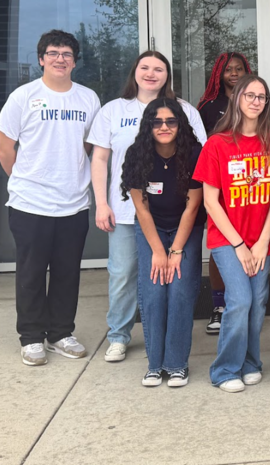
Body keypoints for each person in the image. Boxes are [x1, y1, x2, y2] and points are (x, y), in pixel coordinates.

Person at [88, 51, 207, 363]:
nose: (151, 74)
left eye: (159, 69)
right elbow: (100, 158)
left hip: (176, 213)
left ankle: (169, 344)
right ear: (135, 72)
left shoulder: (184, 111)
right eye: (145, 68)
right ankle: (118, 336)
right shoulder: (114, 110)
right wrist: (101, 202)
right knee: (124, 273)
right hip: (128, 210)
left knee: (173, 280)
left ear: (167, 75)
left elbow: (200, 158)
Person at [0, 29, 102, 366]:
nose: (60, 59)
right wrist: (27, 180)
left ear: (75, 61)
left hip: (73, 203)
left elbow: (89, 145)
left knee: (68, 272)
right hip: (30, 204)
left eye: (67, 54)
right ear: (41, 59)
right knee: (31, 273)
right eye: (53, 53)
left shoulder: (87, 98)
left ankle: (59, 333)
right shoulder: (23, 97)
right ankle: (30, 337)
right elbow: (4, 146)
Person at [193, 75, 270, 393]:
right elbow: (209, 200)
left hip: (261, 238)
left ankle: (250, 362)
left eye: (262, 97)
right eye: (249, 95)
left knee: (258, 301)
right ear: (237, 99)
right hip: (227, 239)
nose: (255, 101)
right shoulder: (217, 143)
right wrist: (239, 244)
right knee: (240, 300)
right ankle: (224, 369)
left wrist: (263, 240)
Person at [121, 98, 205, 387]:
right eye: (157, 122)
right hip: (151, 228)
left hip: (186, 227)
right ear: (148, 126)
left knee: (180, 289)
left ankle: (176, 364)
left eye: (171, 121)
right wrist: (159, 251)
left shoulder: (194, 154)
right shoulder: (137, 155)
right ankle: (155, 365)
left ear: (180, 124)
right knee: (155, 291)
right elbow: (141, 209)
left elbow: (192, 207)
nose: (164, 127)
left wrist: (176, 250)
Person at [196, 51, 251, 336]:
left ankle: (244, 302)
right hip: (218, 185)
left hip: (249, 183)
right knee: (221, 247)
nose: (233, 73)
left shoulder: (252, 101)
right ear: (219, 73)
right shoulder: (207, 106)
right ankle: (219, 305)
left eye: (238, 69)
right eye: (228, 69)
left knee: (247, 241)